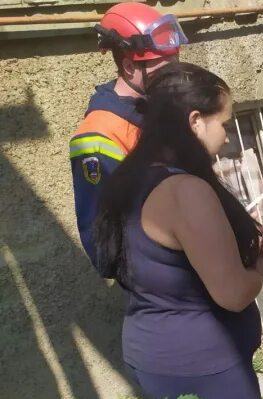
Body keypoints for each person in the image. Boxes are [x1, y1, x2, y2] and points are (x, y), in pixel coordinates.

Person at [94, 62, 263, 399]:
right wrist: (262, 264)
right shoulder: (185, 189)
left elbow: (162, 257)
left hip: (155, 352)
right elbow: (232, 294)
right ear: (195, 121)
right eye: (225, 123)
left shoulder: (137, 175)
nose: (228, 137)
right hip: (205, 364)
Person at [70, 2, 186, 272]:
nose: (173, 79)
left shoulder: (157, 111)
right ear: (130, 67)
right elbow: (103, 240)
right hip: (157, 276)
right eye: (162, 71)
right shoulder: (99, 136)